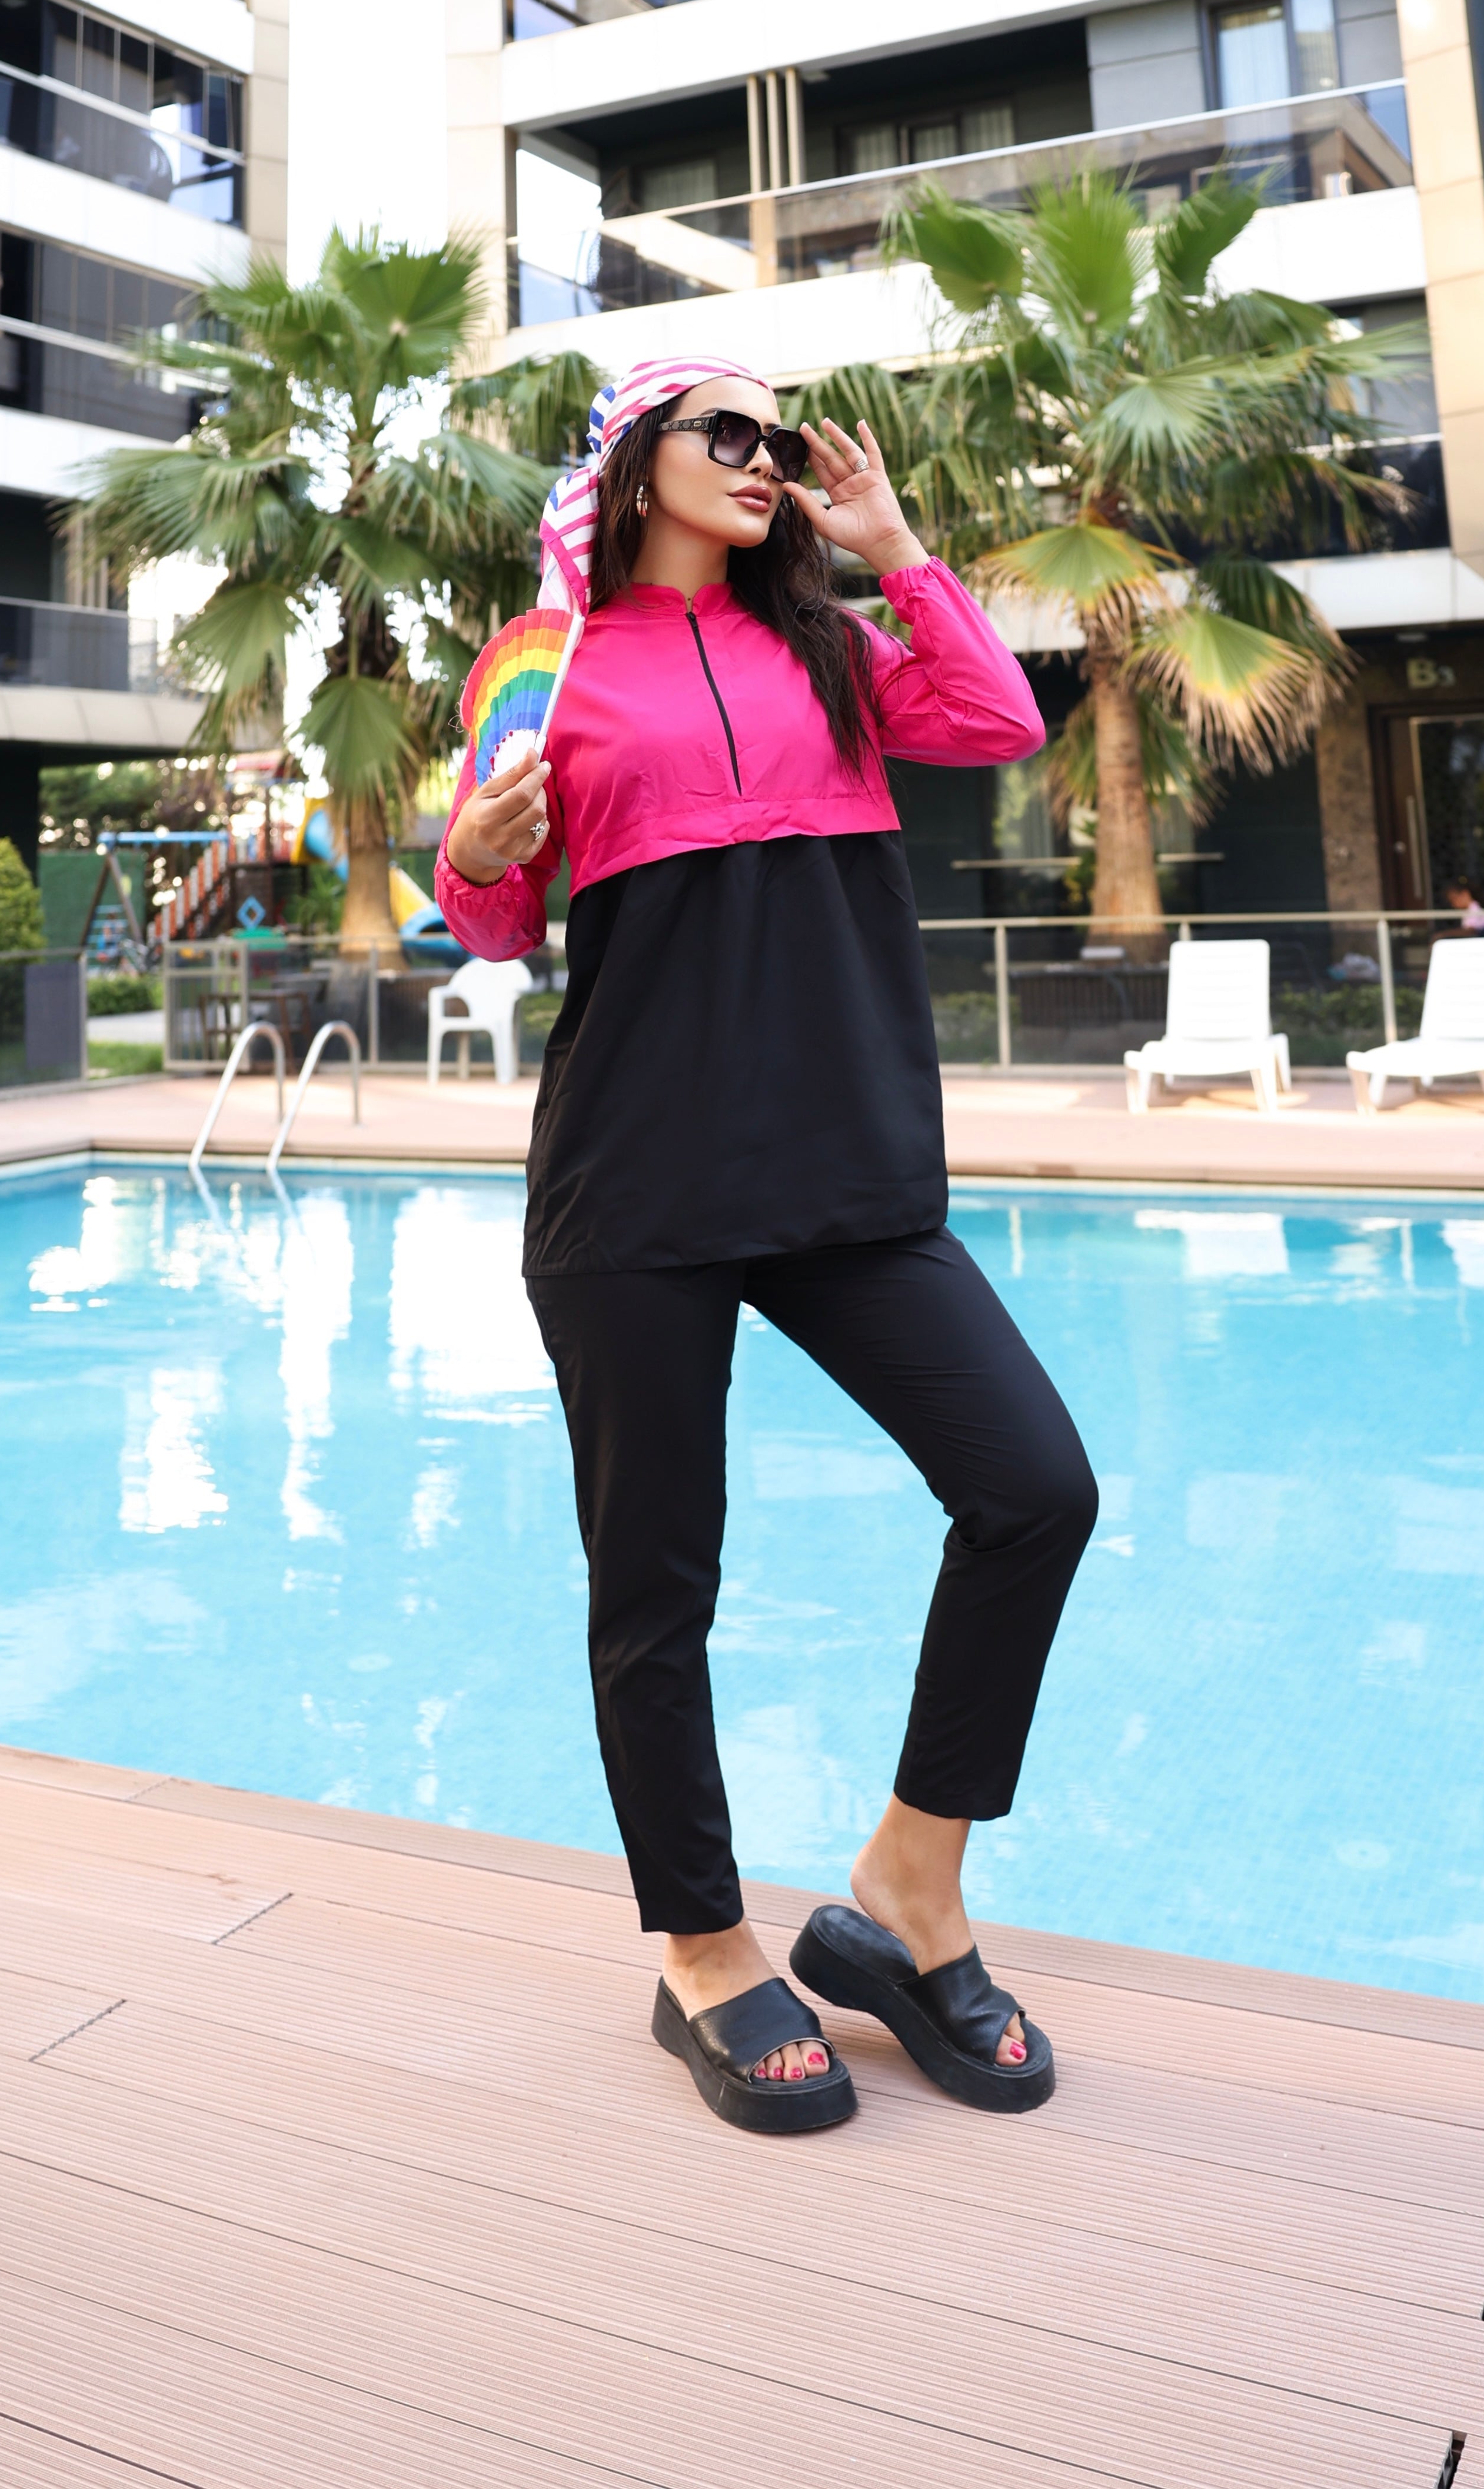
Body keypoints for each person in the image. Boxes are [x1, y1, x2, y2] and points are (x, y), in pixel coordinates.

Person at [438, 355, 1097, 2134]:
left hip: (845, 1168)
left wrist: (893, 549)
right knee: (656, 1586)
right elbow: (490, 918)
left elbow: (998, 725)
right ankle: (705, 1948)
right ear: (633, 462)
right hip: (636, 1182)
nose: (762, 459)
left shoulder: (833, 650)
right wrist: (478, 848)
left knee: (1034, 1488)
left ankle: (905, 1891)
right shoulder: (538, 661)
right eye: (723, 432)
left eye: (776, 436)